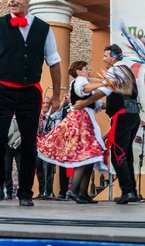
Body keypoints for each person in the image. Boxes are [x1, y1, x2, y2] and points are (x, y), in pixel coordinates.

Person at [0, 0, 61, 207]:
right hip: (2, 90)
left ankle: (26, 193)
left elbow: (55, 62)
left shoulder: (43, 28)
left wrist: (57, 95)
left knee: (29, 143)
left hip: (30, 92)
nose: (11, 1)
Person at [38, 61, 108, 204]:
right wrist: (104, 83)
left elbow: (97, 104)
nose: (88, 71)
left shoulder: (83, 84)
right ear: (79, 71)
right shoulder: (80, 81)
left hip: (85, 120)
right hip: (81, 121)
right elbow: (83, 89)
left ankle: (82, 193)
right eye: (86, 69)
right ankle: (74, 189)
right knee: (87, 154)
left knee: (90, 157)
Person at [80, 44, 141, 204]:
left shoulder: (115, 70)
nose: (104, 59)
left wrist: (84, 102)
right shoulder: (126, 70)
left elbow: (104, 91)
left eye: (106, 56)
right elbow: (120, 95)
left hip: (123, 116)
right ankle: (132, 191)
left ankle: (128, 191)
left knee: (118, 154)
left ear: (114, 56)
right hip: (132, 115)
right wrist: (103, 105)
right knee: (126, 154)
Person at [36, 97, 57, 198]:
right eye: (43, 103)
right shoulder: (37, 115)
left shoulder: (53, 117)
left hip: (49, 147)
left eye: (47, 103)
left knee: (48, 170)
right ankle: (41, 191)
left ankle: (48, 192)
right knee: (39, 169)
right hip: (38, 146)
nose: (45, 105)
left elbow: (56, 130)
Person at [56, 92, 72, 199]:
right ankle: (63, 191)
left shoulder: (80, 105)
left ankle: (76, 190)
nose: (67, 95)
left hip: (76, 139)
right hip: (65, 139)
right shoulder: (65, 107)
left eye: (69, 94)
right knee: (62, 167)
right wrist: (62, 103)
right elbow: (54, 115)